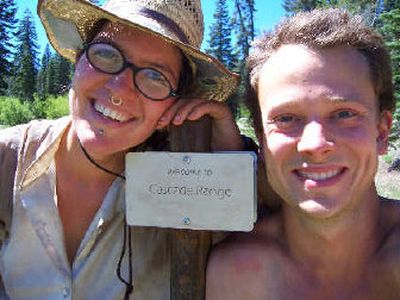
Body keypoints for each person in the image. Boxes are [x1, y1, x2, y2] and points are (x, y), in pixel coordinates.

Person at [0, 0, 244, 299]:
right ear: (78, 59)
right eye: (106, 54)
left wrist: (232, 160)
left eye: (156, 76)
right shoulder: (8, 159)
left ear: (173, 106)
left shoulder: (186, 187)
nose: (119, 88)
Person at [206, 8, 400, 299]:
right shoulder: (234, 273)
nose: (314, 143)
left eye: (344, 113)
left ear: (381, 132)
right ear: (262, 142)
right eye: (286, 119)